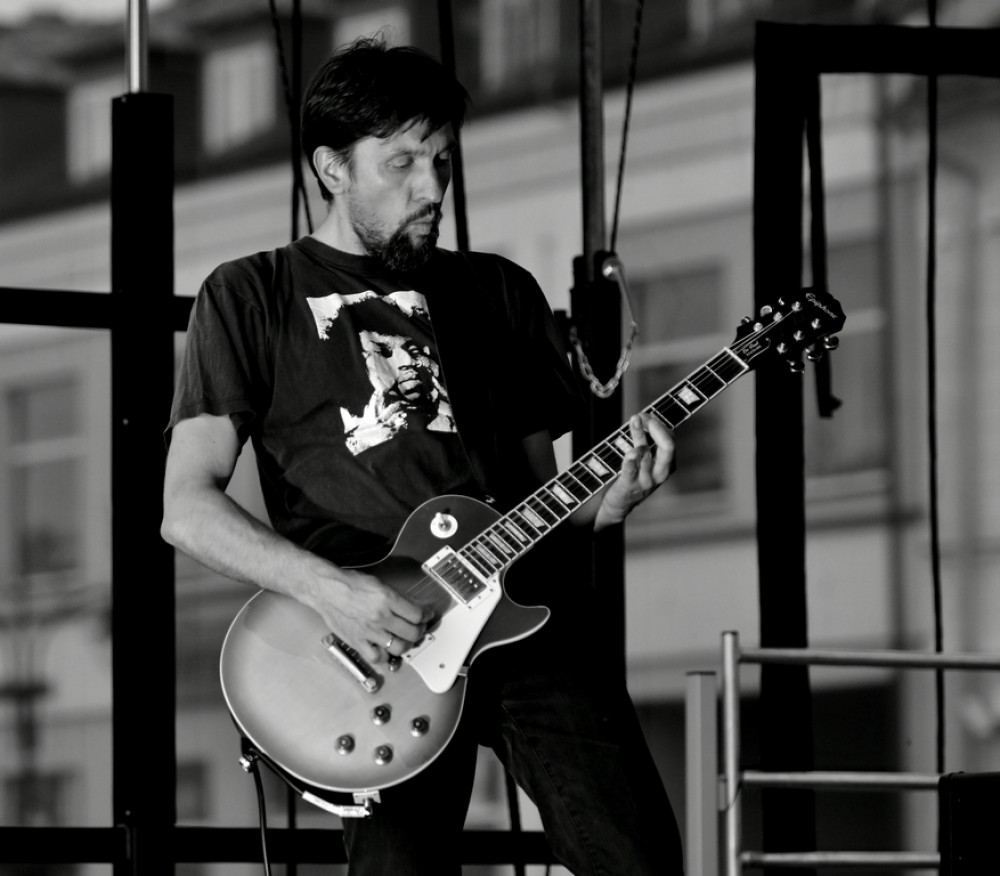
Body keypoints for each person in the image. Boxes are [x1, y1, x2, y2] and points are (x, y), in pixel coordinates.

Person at [162, 37, 684, 876]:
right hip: (374, 644)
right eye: (401, 162)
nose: (432, 188)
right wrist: (333, 592)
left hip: (524, 619)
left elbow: (538, 498)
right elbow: (186, 509)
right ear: (332, 169)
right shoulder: (251, 294)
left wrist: (605, 504)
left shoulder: (499, 291)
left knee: (637, 858)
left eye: (441, 160)